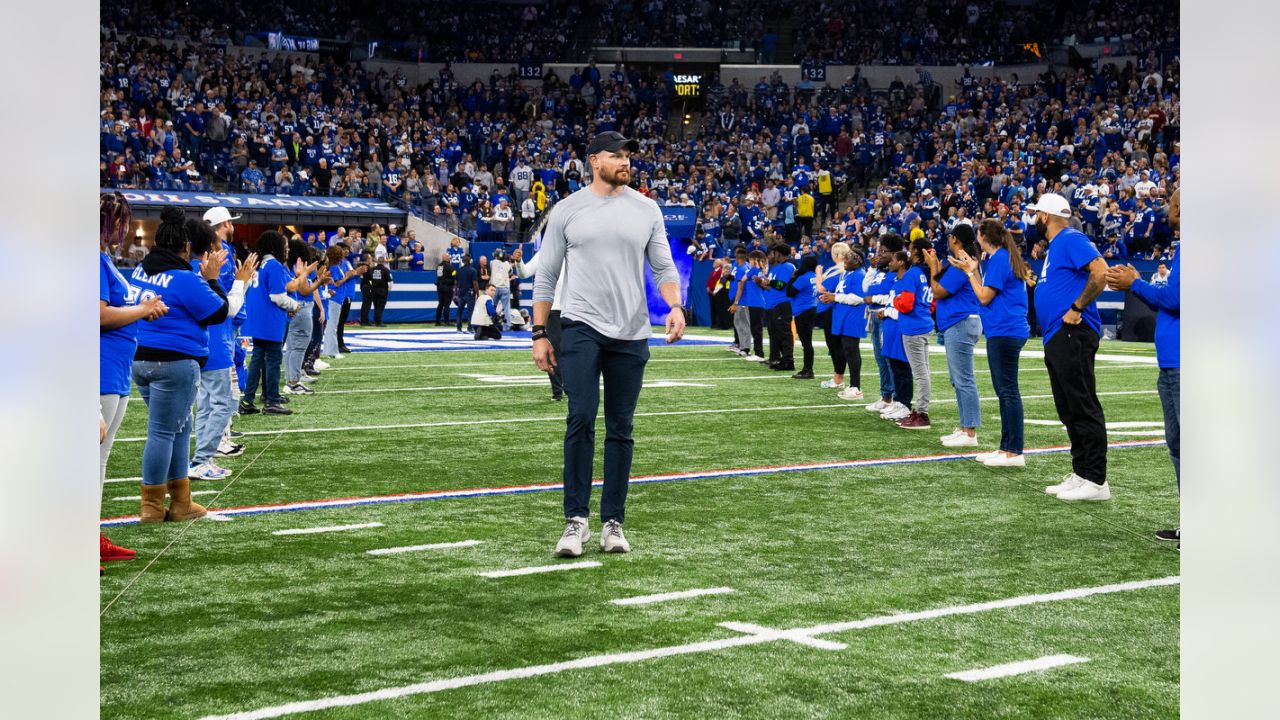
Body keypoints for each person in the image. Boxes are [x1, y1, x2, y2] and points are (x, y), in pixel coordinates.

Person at [531, 131, 684, 558]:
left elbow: (663, 267)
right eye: (616, 156)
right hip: (580, 326)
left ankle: (612, 521)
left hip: (632, 331)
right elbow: (546, 276)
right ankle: (575, 520)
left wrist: (675, 306)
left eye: (628, 155)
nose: (625, 162)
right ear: (594, 161)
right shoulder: (567, 209)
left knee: (621, 428)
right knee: (580, 417)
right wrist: (540, 333)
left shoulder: (646, 208)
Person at [129, 207, 228, 522]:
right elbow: (217, 313)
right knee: (162, 431)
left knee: (180, 427)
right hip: (174, 362)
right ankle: (153, 506)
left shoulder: (141, 270)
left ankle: (181, 502)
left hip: (141, 358)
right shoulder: (185, 278)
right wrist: (211, 279)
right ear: (185, 247)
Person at [1106, 187, 1180, 544]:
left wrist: (1135, 284)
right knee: (1178, 446)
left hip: (1183, 363)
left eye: (1177, 204)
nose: (1170, 211)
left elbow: (1176, 299)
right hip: (1171, 363)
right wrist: (1142, 284)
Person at [1030, 193, 1111, 501]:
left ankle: (1097, 480)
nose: (1035, 220)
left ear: (1045, 216)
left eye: (1037, 215)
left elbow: (1100, 271)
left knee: (1082, 403)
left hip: (1072, 332)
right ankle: (1081, 472)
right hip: (1057, 334)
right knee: (1068, 407)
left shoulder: (1070, 238)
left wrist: (1076, 308)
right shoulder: (1058, 244)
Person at [100, 193, 165, 564]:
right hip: (102, 371)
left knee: (101, 459)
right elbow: (98, 315)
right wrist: (141, 309)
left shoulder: (101, 259)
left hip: (114, 370)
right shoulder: (91, 259)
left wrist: (141, 309)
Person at [953, 220, 1034, 466]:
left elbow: (985, 297)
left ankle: (1014, 451)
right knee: (1005, 391)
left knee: (1007, 391)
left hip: (1005, 330)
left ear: (983, 236)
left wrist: (969, 272)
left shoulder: (1000, 259)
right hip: (1005, 329)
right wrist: (974, 269)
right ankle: (1006, 448)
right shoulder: (1003, 257)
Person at [187, 219, 256, 479]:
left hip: (199, 346)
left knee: (205, 404)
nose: (224, 251)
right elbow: (228, 309)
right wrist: (241, 281)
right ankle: (203, 459)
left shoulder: (187, 269)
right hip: (214, 345)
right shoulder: (205, 272)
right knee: (221, 403)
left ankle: (200, 458)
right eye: (219, 245)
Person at [923, 224, 983, 447]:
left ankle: (970, 432)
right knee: (958, 379)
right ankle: (964, 426)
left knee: (963, 379)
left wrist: (932, 268)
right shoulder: (963, 260)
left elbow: (938, 291)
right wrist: (937, 269)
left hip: (961, 321)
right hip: (958, 321)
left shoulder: (961, 260)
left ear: (955, 239)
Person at [240, 231, 298, 416]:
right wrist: (294, 304)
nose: (286, 250)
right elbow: (277, 297)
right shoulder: (274, 265)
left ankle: (248, 399)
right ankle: (272, 400)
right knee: (272, 361)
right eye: (284, 246)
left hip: (257, 319)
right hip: (271, 320)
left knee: (257, 360)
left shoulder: (261, 264)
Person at [884, 238, 936, 430]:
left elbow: (905, 304)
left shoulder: (912, 273)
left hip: (912, 327)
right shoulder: (928, 272)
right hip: (923, 323)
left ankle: (922, 412)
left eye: (911, 249)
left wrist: (896, 300)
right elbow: (932, 302)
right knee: (923, 371)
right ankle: (920, 410)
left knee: (920, 373)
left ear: (915, 252)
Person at [513, 244, 565, 400]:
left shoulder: (580, 251)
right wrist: (519, 261)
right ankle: (558, 391)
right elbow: (525, 272)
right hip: (553, 310)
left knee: (577, 351)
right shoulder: (545, 253)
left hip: (577, 310)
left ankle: (573, 387)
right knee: (553, 351)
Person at [863, 234, 904, 413]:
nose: (879, 254)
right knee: (880, 358)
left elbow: (895, 296)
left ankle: (895, 398)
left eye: (884, 251)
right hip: (874, 315)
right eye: (879, 250)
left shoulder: (897, 273)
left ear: (895, 253)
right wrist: (872, 269)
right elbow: (865, 288)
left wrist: (875, 298)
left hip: (887, 316)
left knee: (889, 358)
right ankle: (886, 396)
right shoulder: (879, 271)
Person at [821, 247, 868, 399]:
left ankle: (856, 387)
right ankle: (852, 386)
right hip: (843, 315)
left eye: (849, 258)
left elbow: (858, 298)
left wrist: (835, 297)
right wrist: (831, 297)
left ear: (858, 260)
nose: (845, 260)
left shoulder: (860, 274)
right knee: (846, 350)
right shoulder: (847, 274)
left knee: (851, 350)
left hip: (853, 316)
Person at [282, 239, 327, 396]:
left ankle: (291, 380)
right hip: (301, 308)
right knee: (299, 345)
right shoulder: (298, 265)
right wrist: (319, 281)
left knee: (292, 346)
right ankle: (294, 381)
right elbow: (305, 290)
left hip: (296, 308)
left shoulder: (289, 265)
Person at [815, 242, 848, 389]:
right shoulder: (840, 270)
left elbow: (822, 288)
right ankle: (837, 377)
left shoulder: (839, 270)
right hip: (830, 308)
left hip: (832, 309)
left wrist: (818, 275)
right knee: (834, 345)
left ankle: (838, 379)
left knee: (835, 345)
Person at [759, 244, 795, 371]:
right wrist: (762, 284)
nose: (772, 255)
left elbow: (781, 285)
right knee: (775, 333)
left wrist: (769, 282)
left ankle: (788, 360)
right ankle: (779, 358)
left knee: (784, 333)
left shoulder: (787, 266)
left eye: (774, 253)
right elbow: (772, 287)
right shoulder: (775, 268)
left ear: (779, 253)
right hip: (773, 303)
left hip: (783, 303)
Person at [323, 245, 362, 357]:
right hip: (335, 298)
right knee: (333, 326)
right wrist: (346, 276)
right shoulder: (334, 267)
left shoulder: (333, 266)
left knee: (332, 326)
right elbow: (335, 283)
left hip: (337, 298)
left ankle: (329, 349)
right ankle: (332, 351)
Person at [786, 255, 820, 379]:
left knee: (806, 342)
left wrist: (792, 278)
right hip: (811, 307)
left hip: (802, 310)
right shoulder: (814, 276)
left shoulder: (803, 278)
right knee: (807, 342)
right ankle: (807, 368)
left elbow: (789, 292)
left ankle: (808, 369)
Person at [363, 254, 393, 326]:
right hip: (382, 290)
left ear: (377, 261)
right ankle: (378, 321)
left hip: (373, 290)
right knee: (380, 306)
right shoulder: (386, 270)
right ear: (384, 262)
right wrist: (388, 289)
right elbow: (390, 281)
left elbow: (367, 278)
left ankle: (376, 320)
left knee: (376, 306)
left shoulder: (372, 269)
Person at [454, 254, 479, 333]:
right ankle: (470, 327)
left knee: (459, 310)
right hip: (469, 293)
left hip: (461, 292)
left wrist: (455, 294)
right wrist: (477, 293)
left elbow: (455, 284)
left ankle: (458, 328)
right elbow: (475, 283)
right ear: (470, 261)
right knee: (471, 311)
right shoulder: (473, 270)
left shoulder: (458, 271)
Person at [489, 248, 513, 329]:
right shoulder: (507, 263)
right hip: (505, 288)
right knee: (506, 308)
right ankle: (508, 326)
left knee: (492, 307)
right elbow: (510, 272)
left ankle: (490, 323)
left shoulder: (492, 262)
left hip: (494, 288)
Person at [435, 251, 456, 325]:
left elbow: (439, 276)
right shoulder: (450, 266)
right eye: (449, 257)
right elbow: (454, 274)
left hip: (440, 287)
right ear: (447, 258)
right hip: (448, 287)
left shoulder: (439, 266)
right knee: (447, 305)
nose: (450, 258)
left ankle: (437, 321)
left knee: (440, 304)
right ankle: (447, 321)